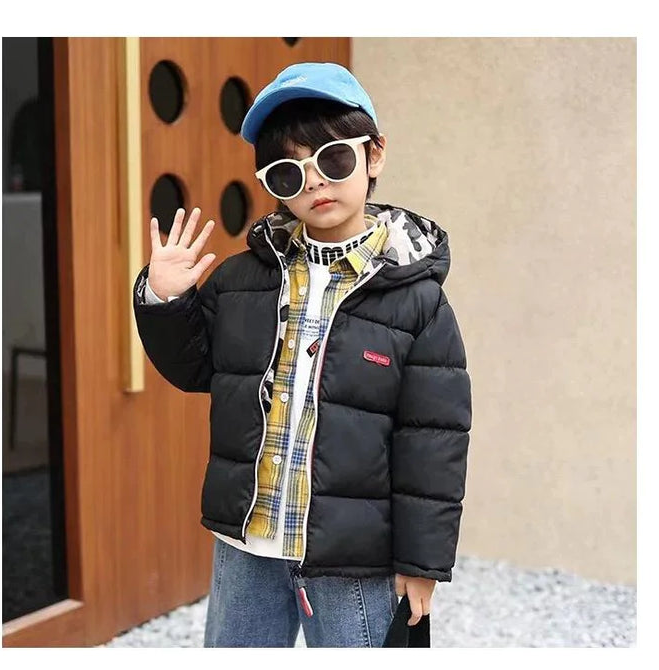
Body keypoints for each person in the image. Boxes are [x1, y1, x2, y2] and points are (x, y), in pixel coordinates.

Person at [132, 61, 472, 648]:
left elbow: (433, 439)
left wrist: (422, 562)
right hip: (248, 539)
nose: (314, 183)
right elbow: (195, 369)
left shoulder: (416, 301)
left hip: (353, 553)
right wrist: (163, 298)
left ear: (374, 155)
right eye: (289, 173)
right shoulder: (242, 278)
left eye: (333, 159)